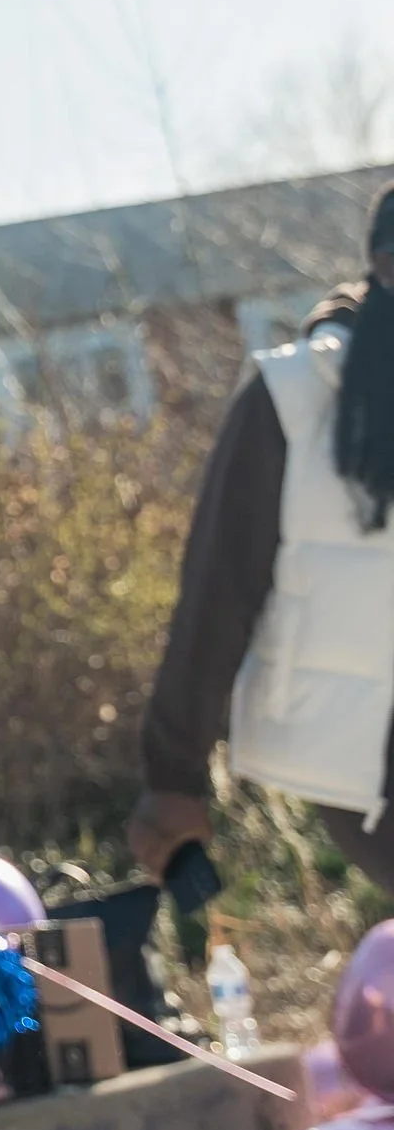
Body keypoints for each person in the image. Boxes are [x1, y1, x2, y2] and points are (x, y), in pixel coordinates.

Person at [131, 185, 394, 899]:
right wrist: (174, 776)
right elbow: (217, 596)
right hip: (373, 762)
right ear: (384, 264)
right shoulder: (296, 396)